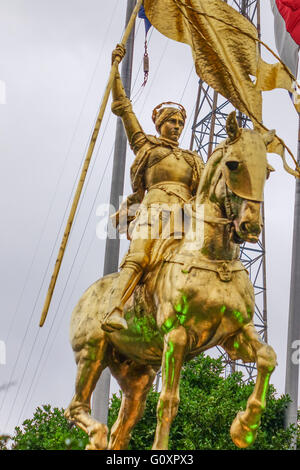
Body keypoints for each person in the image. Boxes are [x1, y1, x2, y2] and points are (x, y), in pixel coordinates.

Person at [101, 45, 204, 332]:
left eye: (181, 122)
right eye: (171, 121)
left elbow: (207, 189)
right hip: (155, 210)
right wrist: (115, 70)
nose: (177, 126)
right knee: (139, 257)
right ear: (159, 123)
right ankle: (114, 307)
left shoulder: (192, 159)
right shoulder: (146, 146)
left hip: (185, 215)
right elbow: (124, 109)